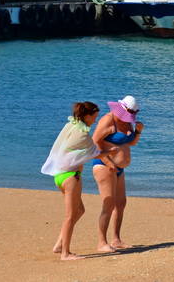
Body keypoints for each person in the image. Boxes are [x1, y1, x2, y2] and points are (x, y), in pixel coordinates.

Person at [41, 101, 111, 260]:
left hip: (60, 176)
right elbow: (95, 153)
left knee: (79, 211)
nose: (95, 120)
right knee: (70, 215)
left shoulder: (71, 125)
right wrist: (112, 150)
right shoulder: (83, 134)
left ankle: (60, 245)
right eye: (94, 117)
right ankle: (65, 254)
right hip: (71, 177)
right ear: (87, 116)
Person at [92, 95, 145, 252]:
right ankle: (101, 242)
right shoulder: (108, 120)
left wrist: (138, 132)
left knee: (121, 203)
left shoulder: (127, 122)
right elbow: (94, 142)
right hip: (104, 166)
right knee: (108, 204)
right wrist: (108, 162)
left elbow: (131, 142)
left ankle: (116, 239)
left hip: (119, 169)